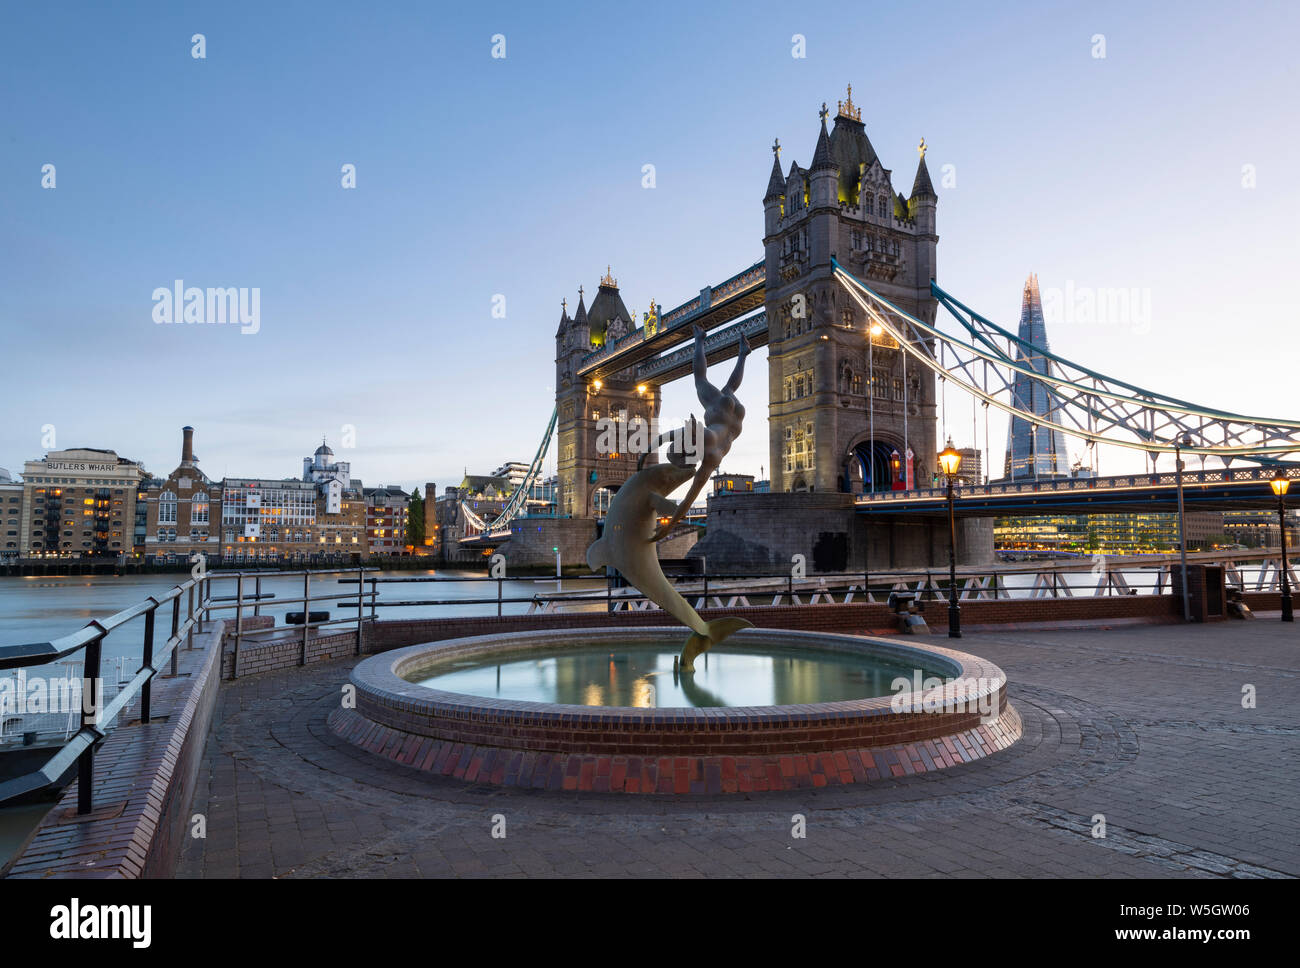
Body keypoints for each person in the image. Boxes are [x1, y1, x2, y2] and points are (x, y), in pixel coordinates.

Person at [653, 324, 749, 540]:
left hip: (736, 423)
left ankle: (743, 353)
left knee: (729, 389)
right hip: (720, 413)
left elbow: (689, 498)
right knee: (700, 380)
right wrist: (653, 444)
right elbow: (672, 434)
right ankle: (699, 339)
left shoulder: (709, 461)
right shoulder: (702, 436)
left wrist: (669, 527)